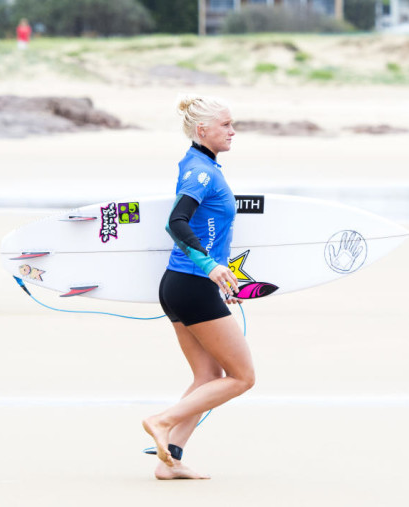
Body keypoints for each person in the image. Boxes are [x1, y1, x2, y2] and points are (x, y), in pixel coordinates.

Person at [142, 95, 253, 480]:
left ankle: (169, 459)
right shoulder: (201, 172)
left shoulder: (199, 165)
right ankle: (162, 420)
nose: (232, 130)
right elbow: (176, 221)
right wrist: (210, 265)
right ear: (202, 129)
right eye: (225, 124)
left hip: (179, 285)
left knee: (208, 377)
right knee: (242, 377)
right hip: (192, 284)